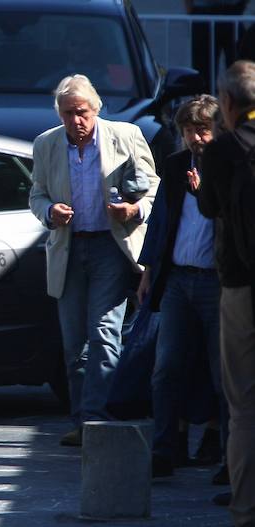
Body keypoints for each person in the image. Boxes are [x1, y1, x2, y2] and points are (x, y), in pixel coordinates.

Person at [29, 74, 159, 447]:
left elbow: (154, 187)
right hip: (69, 247)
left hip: (110, 247)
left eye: (81, 112)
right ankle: (83, 419)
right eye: (68, 114)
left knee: (104, 333)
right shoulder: (47, 144)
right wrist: (50, 210)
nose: (75, 121)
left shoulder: (126, 135)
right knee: (74, 345)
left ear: (96, 109)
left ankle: (99, 421)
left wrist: (135, 210)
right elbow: (36, 193)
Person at [136, 95, 228, 478]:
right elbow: (160, 221)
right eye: (189, 130)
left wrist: (208, 193)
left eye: (203, 129)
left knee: (223, 373)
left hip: (218, 284)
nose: (196, 138)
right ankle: (164, 449)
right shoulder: (175, 167)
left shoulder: (230, 168)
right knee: (166, 367)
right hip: (176, 279)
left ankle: (229, 457)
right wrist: (148, 271)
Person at [196, 59, 255, 527]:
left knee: (243, 406)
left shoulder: (221, 151)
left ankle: (244, 508)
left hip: (241, 289)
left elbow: (209, 206)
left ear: (228, 104)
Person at [186, 0, 250, 94]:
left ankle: (238, 104)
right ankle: (203, 106)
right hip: (203, 13)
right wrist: (192, 11)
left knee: (239, 72)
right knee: (202, 75)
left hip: (232, 12)